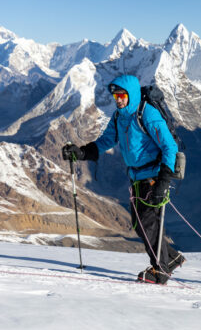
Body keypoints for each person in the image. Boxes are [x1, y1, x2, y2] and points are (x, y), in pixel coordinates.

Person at [61, 74, 185, 285]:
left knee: (146, 223)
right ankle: (170, 258)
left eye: (122, 95)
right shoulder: (120, 116)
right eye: (115, 96)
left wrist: (164, 180)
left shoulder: (147, 114)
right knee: (143, 223)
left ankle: (160, 270)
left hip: (153, 175)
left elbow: (169, 146)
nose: (118, 99)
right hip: (137, 176)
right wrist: (82, 153)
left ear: (131, 94)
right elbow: (106, 140)